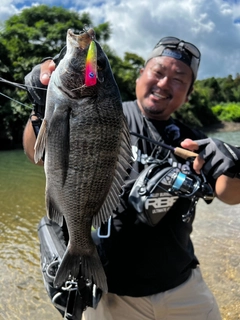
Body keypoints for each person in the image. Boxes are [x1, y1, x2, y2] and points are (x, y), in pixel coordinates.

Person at [23, 35, 240, 320]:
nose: (164, 84)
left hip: (182, 287)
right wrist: (41, 109)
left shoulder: (194, 141)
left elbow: (230, 194)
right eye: (159, 72)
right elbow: (37, 156)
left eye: (178, 79)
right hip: (110, 291)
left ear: (188, 94)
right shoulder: (110, 111)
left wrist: (233, 164)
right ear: (141, 75)